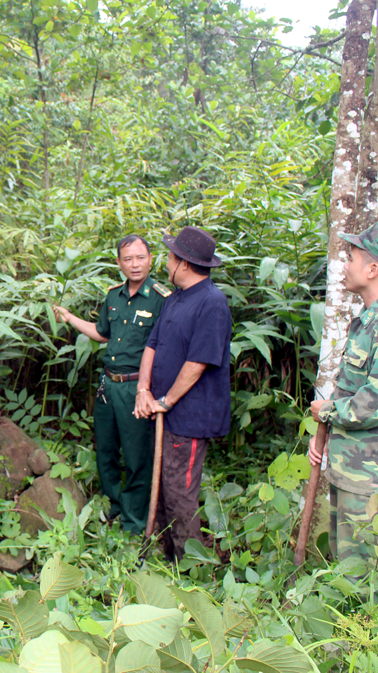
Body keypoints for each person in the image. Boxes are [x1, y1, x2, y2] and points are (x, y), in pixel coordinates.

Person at [308, 221, 378, 564]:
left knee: (360, 575)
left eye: (351, 258)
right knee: (345, 567)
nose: (344, 265)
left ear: (372, 270)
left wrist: (328, 412)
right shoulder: (371, 319)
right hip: (351, 468)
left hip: (372, 479)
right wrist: (326, 435)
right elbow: (354, 388)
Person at [52, 235, 170, 534]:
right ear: (118, 262)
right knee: (105, 450)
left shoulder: (162, 298)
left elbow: (167, 348)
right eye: (128, 259)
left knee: (136, 456)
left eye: (140, 257)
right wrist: (69, 318)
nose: (135, 264)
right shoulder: (114, 296)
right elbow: (102, 333)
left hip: (137, 388)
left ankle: (134, 523)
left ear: (151, 259)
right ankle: (111, 508)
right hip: (108, 384)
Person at [134, 226, 231, 562]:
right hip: (162, 412)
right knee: (163, 486)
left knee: (180, 491)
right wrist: (143, 390)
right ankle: (168, 556)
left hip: (188, 416)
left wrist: (166, 401)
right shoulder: (175, 298)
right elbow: (153, 344)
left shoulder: (212, 303)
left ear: (184, 264)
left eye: (170, 257)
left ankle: (191, 566)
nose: (166, 263)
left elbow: (198, 363)